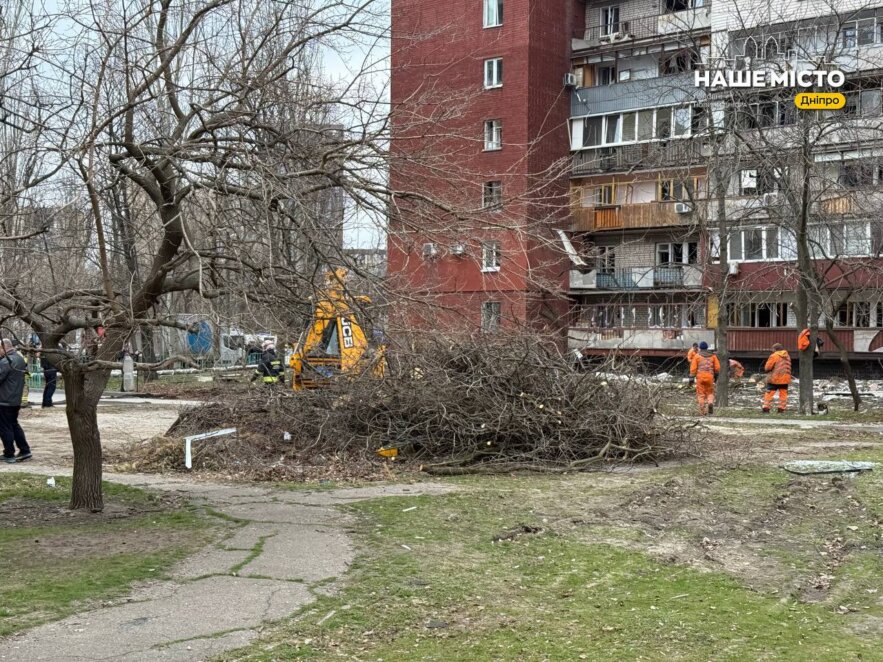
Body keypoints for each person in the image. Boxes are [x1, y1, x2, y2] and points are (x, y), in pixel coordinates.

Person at [0, 339, 31, 463]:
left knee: (4, 427)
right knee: (13, 424)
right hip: (14, 399)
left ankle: (9, 453)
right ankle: (24, 450)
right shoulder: (18, 358)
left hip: (4, 400)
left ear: (3, 347)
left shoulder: (6, 361)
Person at [690, 341, 720, 416]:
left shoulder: (697, 356)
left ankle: (703, 411)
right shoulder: (713, 356)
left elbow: (693, 369)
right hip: (710, 377)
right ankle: (710, 403)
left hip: (700, 377)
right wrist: (716, 377)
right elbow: (717, 368)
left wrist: (691, 378)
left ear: (700, 348)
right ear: (707, 348)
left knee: (701, 394)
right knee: (710, 392)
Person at [763, 342, 792, 413]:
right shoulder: (787, 356)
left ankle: (766, 407)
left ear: (775, 349)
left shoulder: (774, 356)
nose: (772, 351)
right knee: (783, 394)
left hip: (775, 379)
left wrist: (767, 371)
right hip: (785, 379)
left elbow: (767, 367)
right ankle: (781, 408)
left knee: (769, 393)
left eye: (772, 349)